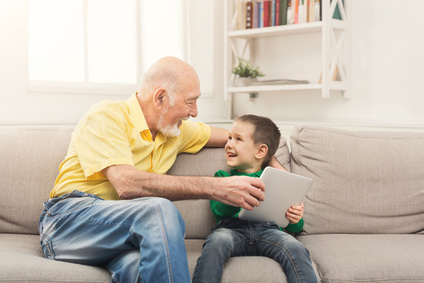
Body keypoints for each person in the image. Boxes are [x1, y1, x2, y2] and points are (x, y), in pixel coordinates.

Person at [39, 57, 285, 283]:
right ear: (160, 98)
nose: (195, 112)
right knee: (159, 209)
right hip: (69, 221)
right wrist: (216, 187)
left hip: (122, 237)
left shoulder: (174, 131)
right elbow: (126, 184)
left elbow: (243, 140)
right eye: (190, 101)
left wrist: (272, 162)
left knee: (140, 269)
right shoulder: (107, 116)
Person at [192, 114, 318, 283]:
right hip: (231, 230)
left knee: (296, 246)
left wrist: (295, 218)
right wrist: (233, 192)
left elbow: (296, 227)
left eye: (238, 139)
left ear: (260, 151)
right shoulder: (222, 178)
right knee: (217, 240)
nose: (228, 144)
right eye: (229, 138)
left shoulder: (277, 181)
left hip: (269, 231)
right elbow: (219, 211)